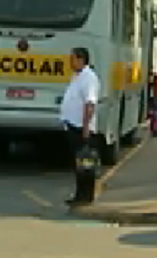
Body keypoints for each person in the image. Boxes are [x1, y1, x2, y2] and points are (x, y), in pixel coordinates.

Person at [60, 46, 99, 206]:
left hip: (81, 128)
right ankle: (79, 194)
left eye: (73, 58)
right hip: (74, 125)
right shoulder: (78, 76)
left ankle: (86, 195)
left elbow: (89, 104)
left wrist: (85, 127)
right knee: (79, 162)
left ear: (81, 59)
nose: (70, 61)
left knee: (85, 163)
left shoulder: (89, 77)